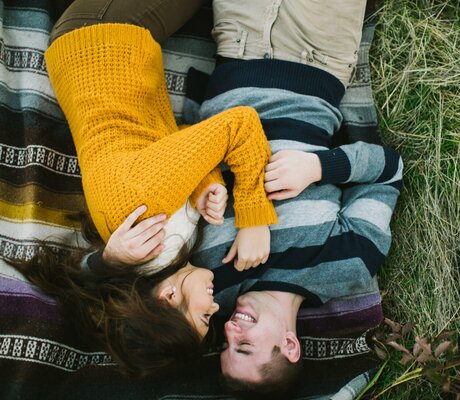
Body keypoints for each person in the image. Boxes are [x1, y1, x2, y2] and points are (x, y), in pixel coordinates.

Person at [103, 0, 403, 396]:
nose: (228, 329)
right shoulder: (348, 264)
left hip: (236, 44)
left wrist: (108, 261)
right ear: (290, 345)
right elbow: (388, 171)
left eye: (225, 343)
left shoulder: (211, 281)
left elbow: (129, 298)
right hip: (319, 53)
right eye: (244, 345)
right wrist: (318, 168)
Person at [11, 0, 278, 377]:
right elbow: (181, 143)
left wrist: (254, 219)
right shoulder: (156, 247)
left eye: (205, 316)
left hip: (103, 37)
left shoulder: (146, 208)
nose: (217, 307)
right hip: (110, 54)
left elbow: (239, 125)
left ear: (169, 298)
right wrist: (206, 183)